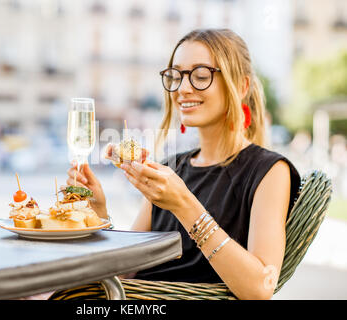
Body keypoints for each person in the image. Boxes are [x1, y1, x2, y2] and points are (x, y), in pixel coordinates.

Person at [66, 29, 301, 300]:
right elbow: (122, 273)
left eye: (201, 76)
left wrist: (183, 205)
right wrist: (98, 215)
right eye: (175, 76)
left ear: (241, 87)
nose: (182, 88)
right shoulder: (171, 168)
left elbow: (260, 288)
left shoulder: (269, 171)